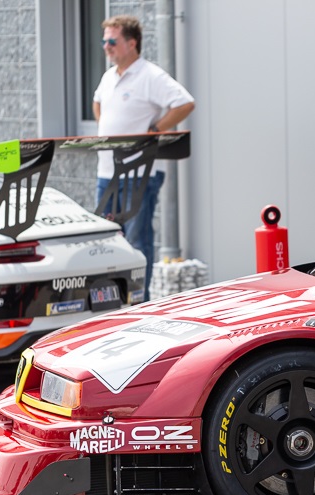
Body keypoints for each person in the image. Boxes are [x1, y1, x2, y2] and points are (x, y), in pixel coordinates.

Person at [93, 15, 195, 301]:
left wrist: (155, 130)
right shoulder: (109, 76)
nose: (106, 47)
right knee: (108, 243)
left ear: (132, 43)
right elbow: (97, 101)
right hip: (106, 173)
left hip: (140, 175)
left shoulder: (150, 75)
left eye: (112, 41)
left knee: (138, 241)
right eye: (104, 41)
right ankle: (114, 302)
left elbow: (185, 102)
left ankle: (139, 304)